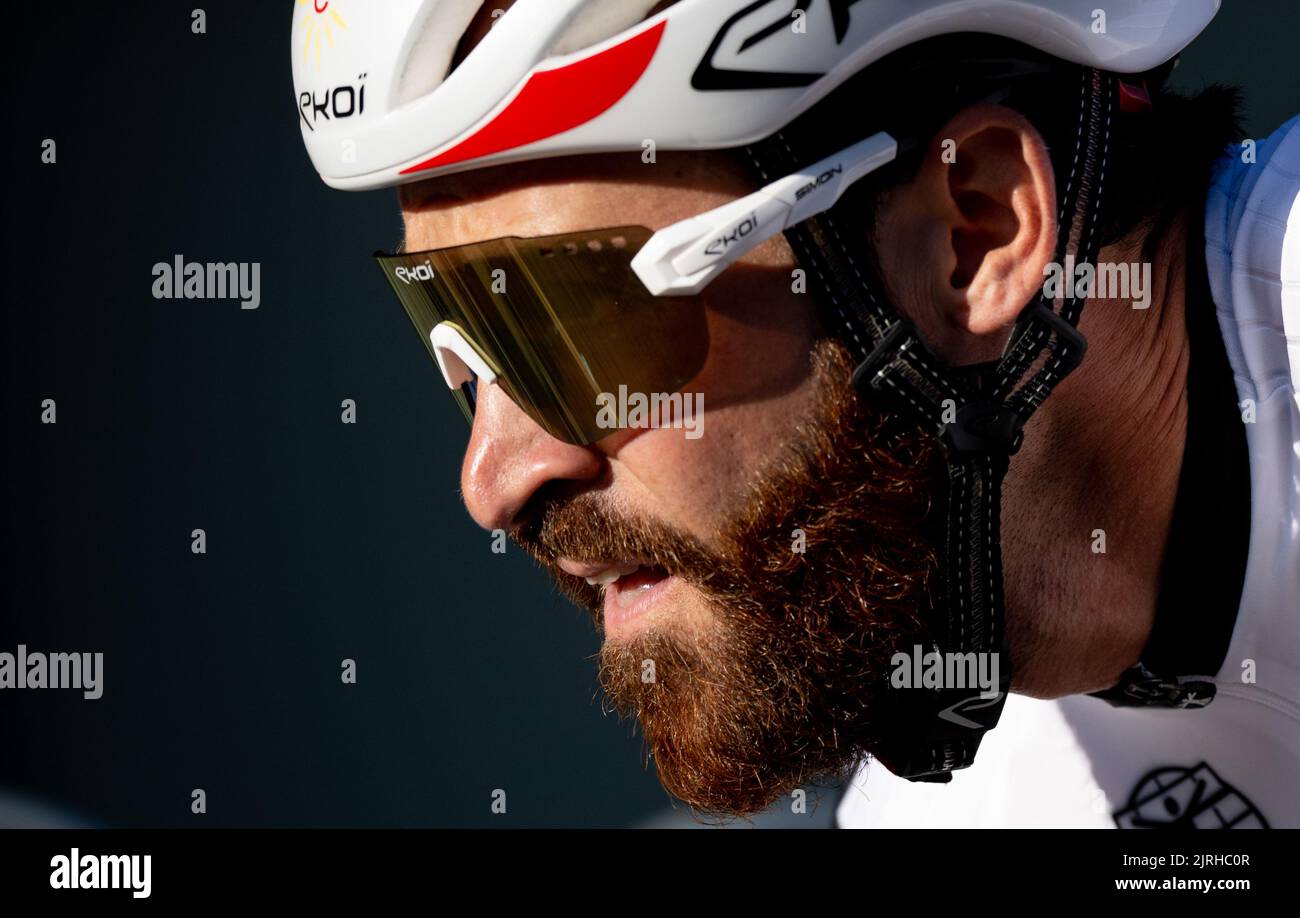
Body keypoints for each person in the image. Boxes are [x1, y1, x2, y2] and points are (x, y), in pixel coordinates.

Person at [291, 0, 1299, 827]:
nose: (493, 478)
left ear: (975, 232)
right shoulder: (955, 811)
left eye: (571, 320)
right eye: (451, 329)